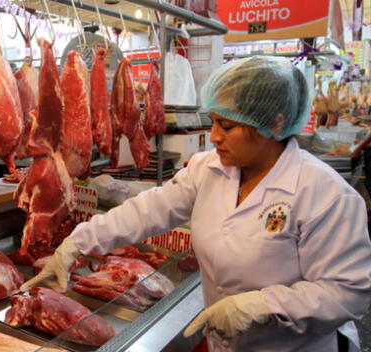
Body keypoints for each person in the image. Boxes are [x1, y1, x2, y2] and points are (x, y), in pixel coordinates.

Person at [21, 56, 371, 351]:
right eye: (214, 121)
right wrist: (76, 244)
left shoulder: (326, 195)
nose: (214, 136)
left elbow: (349, 292)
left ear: (274, 125)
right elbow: (148, 211)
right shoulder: (210, 168)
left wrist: (262, 305)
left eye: (227, 125)